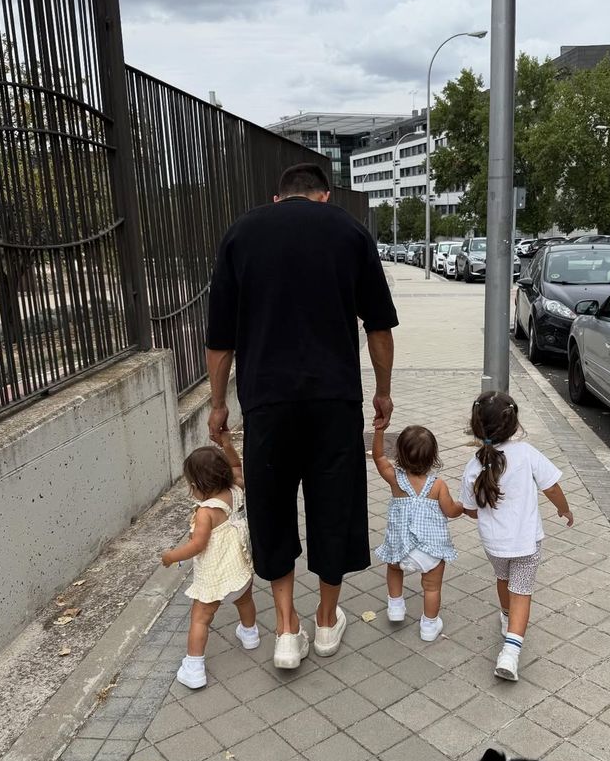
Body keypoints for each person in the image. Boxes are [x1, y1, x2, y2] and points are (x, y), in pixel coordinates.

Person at [206, 163, 398, 669]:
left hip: (267, 401)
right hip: (334, 398)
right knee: (335, 503)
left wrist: (218, 403)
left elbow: (220, 338)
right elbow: (378, 326)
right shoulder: (350, 231)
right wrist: (383, 392)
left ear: (277, 198)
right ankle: (328, 618)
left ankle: (286, 628)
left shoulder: (241, 234)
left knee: (271, 507)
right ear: (325, 196)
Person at [461, 391, 573, 682]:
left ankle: (505, 616)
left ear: (476, 426)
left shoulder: (474, 466)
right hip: (526, 542)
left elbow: (470, 510)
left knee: (503, 579)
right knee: (522, 592)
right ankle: (510, 653)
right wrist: (564, 510)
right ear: (513, 423)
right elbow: (551, 487)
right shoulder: (526, 453)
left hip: (494, 545)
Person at [161, 432, 257, 689]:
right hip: (240, 567)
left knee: (201, 617)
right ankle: (250, 635)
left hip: (215, 575)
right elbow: (237, 465)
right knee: (245, 599)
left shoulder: (206, 512)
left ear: (200, 485)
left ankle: (193, 667)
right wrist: (227, 444)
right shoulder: (236, 488)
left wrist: (171, 556)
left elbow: (197, 545)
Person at [373, 424, 463, 640]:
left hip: (399, 548)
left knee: (394, 570)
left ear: (399, 455)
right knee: (432, 588)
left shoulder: (395, 479)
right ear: (433, 457)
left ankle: (395, 606)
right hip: (429, 551)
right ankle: (429, 627)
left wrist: (379, 431)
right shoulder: (438, 485)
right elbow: (451, 511)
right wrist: (465, 506)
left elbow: (377, 457)